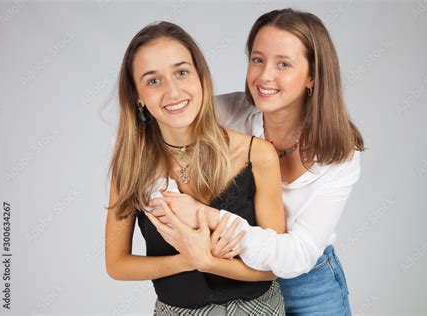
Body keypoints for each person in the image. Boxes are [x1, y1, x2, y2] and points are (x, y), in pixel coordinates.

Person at [148, 8, 365, 315]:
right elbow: (155, 139)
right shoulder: (224, 114)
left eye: (284, 64)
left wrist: (208, 218)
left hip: (309, 285)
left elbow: (298, 255)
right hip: (241, 282)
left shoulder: (341, 155)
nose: (265, 76)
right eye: (257, 59)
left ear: (313, 76)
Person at [104, 21, 287, 315]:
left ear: (200, 76)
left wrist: (209, 261)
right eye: (153, 81)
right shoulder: (131, 165)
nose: (173, 91)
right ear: (137, 95)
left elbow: (275, 267)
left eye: (181, 72)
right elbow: (117, 264)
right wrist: (188, 259)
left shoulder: (257, 154)